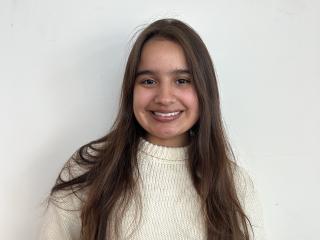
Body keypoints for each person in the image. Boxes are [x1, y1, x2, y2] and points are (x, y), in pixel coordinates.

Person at [39, 18, 265, 240]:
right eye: (148, 81)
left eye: (182, 80)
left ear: (204, 90)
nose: (165, 98)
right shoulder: (87, 170)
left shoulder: (234, 184)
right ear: (131, 90)